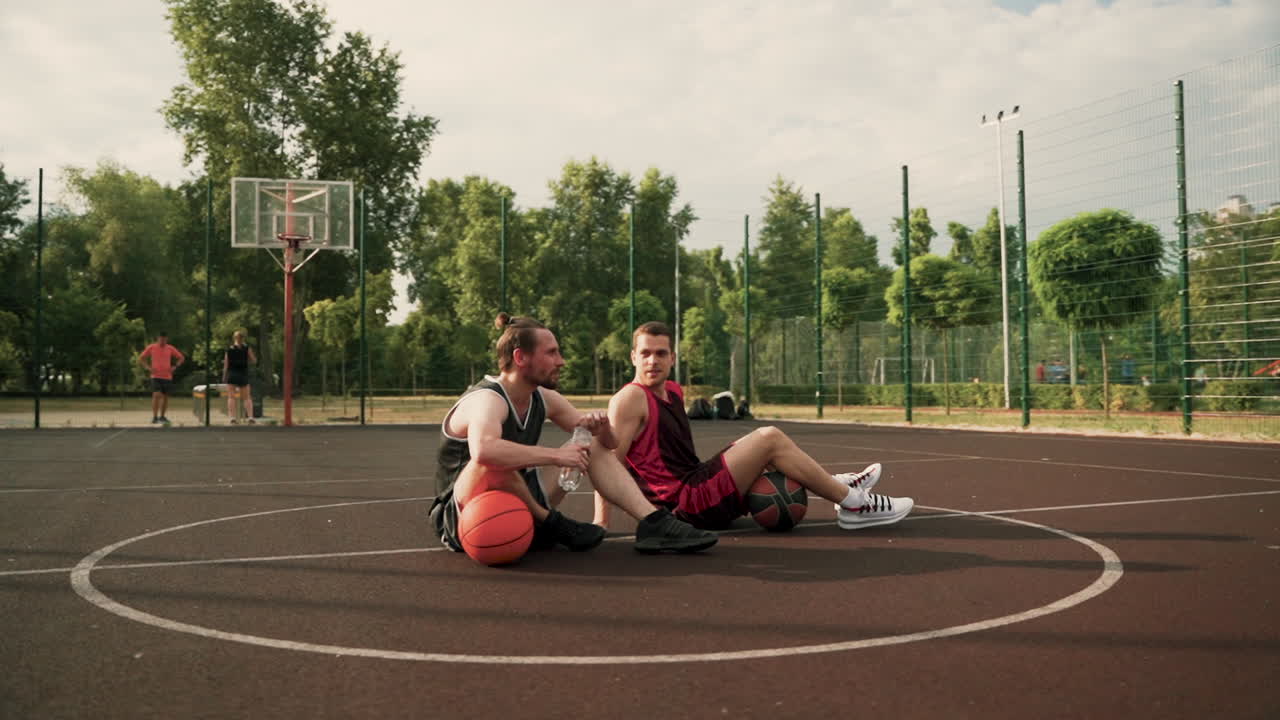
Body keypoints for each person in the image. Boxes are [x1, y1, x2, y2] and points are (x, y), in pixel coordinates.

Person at [428, 313, 717, 556]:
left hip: (518, 499)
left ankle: (655, 522)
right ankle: (551, 523)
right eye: (551, 353)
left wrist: (602, 428)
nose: (561, 361)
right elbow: (483, 451)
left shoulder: (542, 397)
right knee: (489, 459)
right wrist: (555, 456)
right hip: (464, 514)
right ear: (520, 357)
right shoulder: (487, 400)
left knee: (588, 441)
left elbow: (608, 445)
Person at [601, 321, 913, 532]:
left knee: (760, 444)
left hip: (695, 482)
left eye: (660, 353)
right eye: (645, 353)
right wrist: (601, 524)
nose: (652, 361)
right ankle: (853, 504)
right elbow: (607, 465)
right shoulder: (630, 398)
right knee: (768, 439)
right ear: (633, 357)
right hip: (685, 506)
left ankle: (837, 485)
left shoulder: (673, 391)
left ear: (672, 358)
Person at [138, 331, 185, 425]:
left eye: (164, 339)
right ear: (158, 338)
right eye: (160, 338)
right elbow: (141, 358)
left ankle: (162, 417)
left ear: (166, 339)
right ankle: (155, 417)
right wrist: (148, 367)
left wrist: (175, 366)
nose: (162, 340)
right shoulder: (152, 347)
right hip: (156, 376)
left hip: (167, 377)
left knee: (165, 397)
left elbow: (181, 358)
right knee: (156, 395)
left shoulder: (170, 348)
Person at [222, 330, 258, 424]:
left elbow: (226, 364)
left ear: (234, 338)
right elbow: (254, 360)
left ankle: (232, 417)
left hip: (232, 374)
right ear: (243, 338)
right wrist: (248, 360)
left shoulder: (229, 349)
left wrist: (224, 376)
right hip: (243, 373)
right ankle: (250, 417)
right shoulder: (246, 348)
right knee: (247, 397)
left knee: (231, 397)